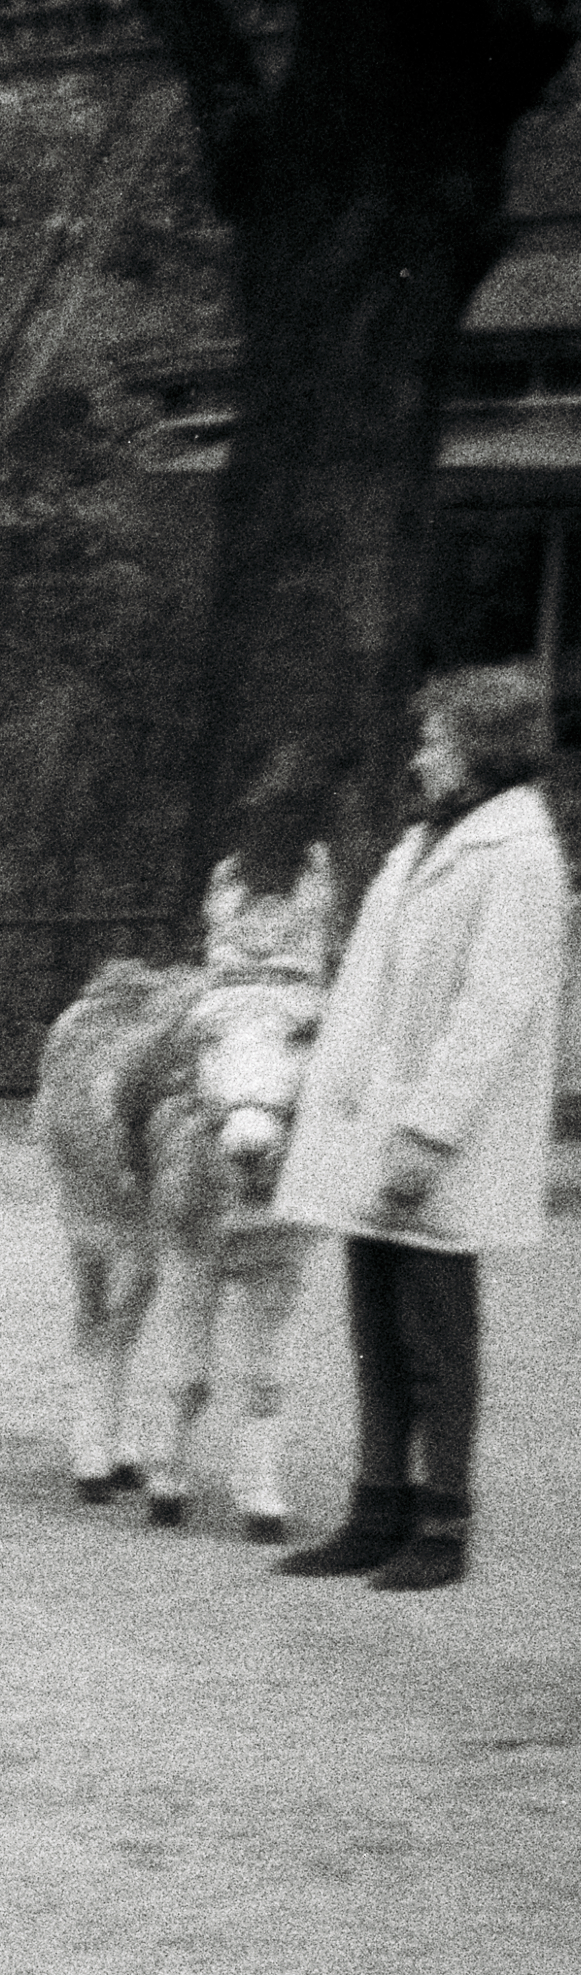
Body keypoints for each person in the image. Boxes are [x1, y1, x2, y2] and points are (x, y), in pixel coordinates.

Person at [268, 661, 572, 1590]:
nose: (419, 755)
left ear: (479, 752)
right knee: (373, 1327)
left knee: (435, 1338)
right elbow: (369, 990)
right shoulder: (422, 844)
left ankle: (442, 1524)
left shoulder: (518, 856)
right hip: (373, 1127)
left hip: (437, 1139)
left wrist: (428, 1132)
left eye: (434, 740)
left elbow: (494, 1008)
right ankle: (375, 1506)